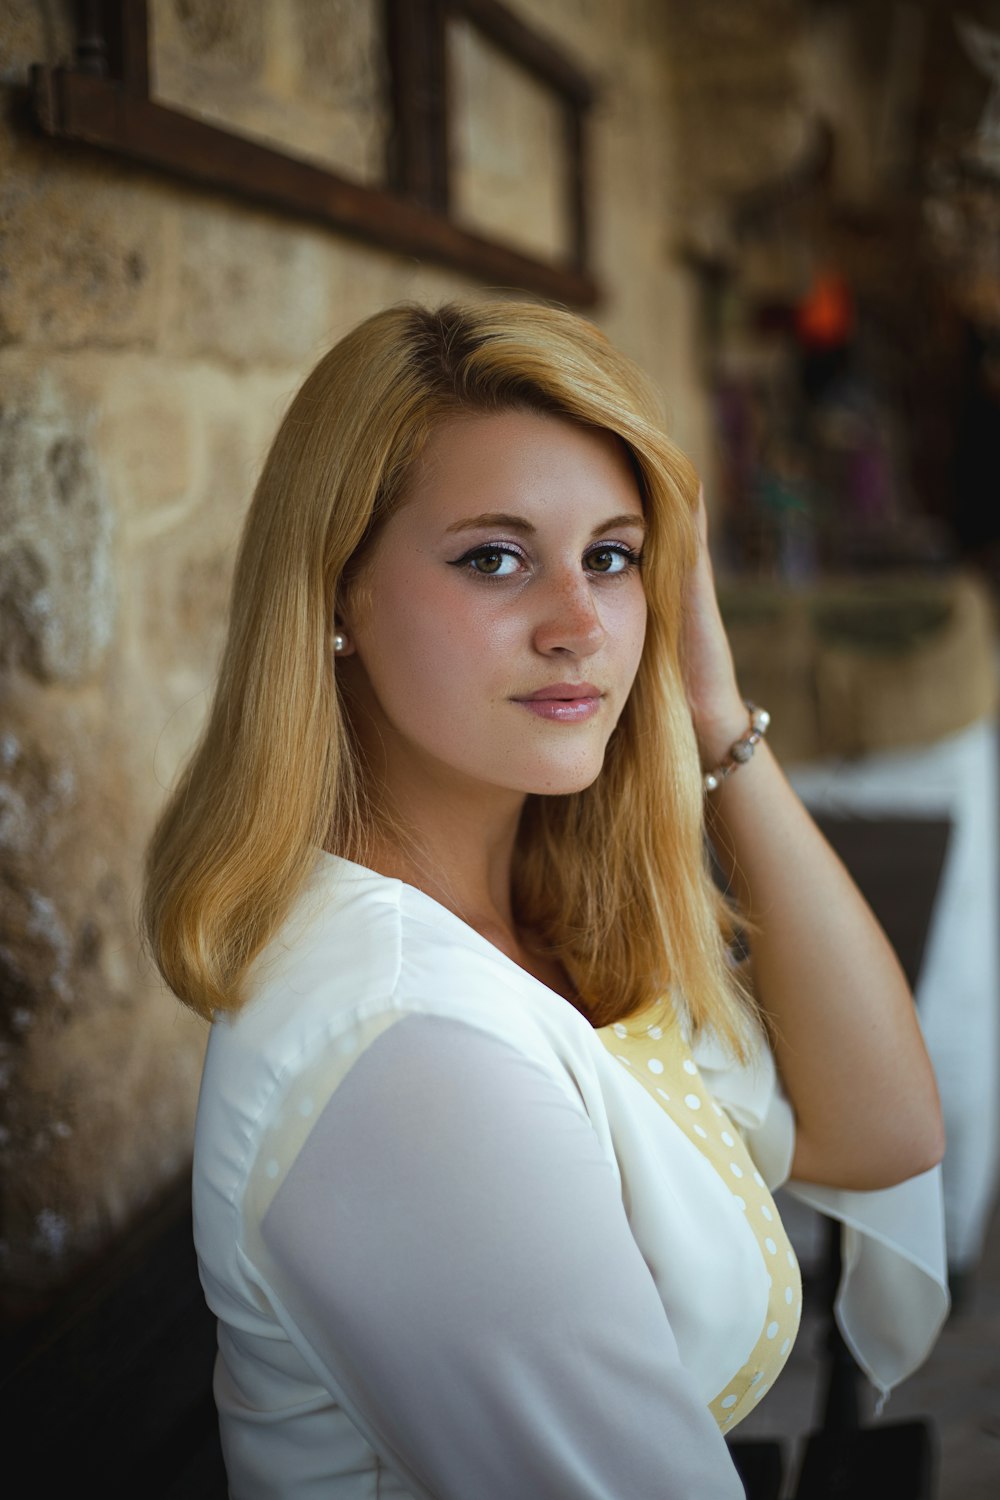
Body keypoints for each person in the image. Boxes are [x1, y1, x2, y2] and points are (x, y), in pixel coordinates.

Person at [144, 301, 948, 1499]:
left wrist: (716, 716)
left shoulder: (537, 911)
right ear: (334, 597)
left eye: (613, 557)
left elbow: (880, 1133)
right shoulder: (410, 1052)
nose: (580, 626)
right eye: (494, 558)